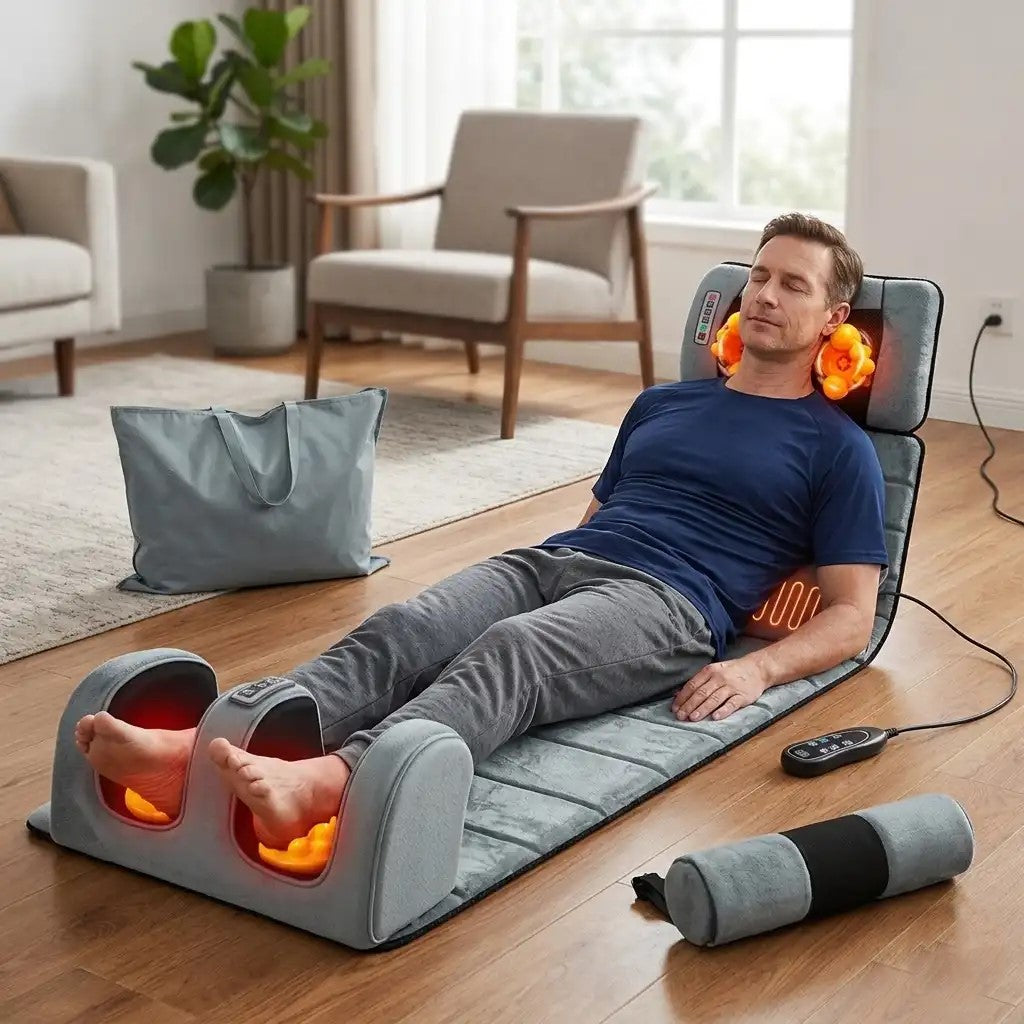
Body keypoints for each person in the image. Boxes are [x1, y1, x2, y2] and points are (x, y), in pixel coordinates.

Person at [75, 212, 889, 851]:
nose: (767, 296)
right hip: (562, 561)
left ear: (832, 317)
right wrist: (552, 576)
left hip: (671, 604)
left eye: (793, 285)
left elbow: (853, 615)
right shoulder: (662, 403)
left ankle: (331, 784)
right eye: (758, 276)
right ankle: (201, 749)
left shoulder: (836, 447)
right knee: (405, 628)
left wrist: (758, 671)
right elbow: (601, 515)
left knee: (513, 654)